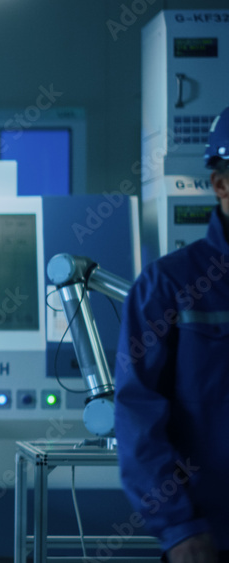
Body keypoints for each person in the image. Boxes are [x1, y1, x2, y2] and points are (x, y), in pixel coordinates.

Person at [114, 105, 229, 563]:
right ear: (220, 185)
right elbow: (137, 414)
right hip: (208, 537)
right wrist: (178, 526)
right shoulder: (170, 285)